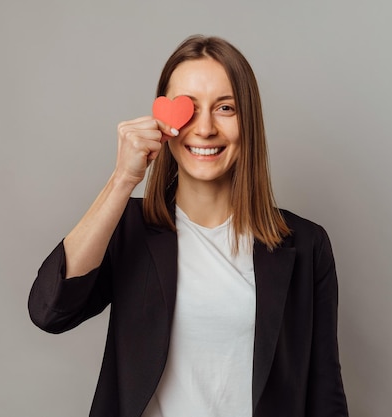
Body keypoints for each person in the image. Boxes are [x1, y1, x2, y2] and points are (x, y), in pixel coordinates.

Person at [28, 35, 348, 417]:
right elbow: (50, 311)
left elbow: (324, 389)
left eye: (225, 107)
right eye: (189, 109)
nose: (206, 128)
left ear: (249, 120)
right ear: (165, 120)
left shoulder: (307, 246)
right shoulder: (129, 228)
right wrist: (122, 180)